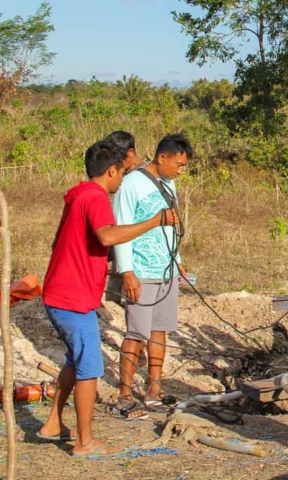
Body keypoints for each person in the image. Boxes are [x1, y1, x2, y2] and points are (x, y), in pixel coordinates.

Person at [37, 139, 179, 457]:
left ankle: (53, 424)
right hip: (72, 298)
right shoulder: (96, 197)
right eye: (122, 173)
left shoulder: (77, 194)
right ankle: (85, 442)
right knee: (89, 367)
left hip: (61, 292)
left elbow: (59, 242)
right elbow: (107, 236)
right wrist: (155, 221)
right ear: (112, 170)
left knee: (75, 361)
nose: (122, 180)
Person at [113, 133, 192, 419]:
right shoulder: (131, 185)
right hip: (141, 271)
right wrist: (127, 272)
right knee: (136, 333)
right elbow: (120, 230)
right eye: (179, 164)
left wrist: (178, 260)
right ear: (162, 157)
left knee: (160, 330)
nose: (180, 171)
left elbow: (170, 226)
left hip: (166, 269)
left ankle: (154, 388)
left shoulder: (168, 185)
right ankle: (124, 393)